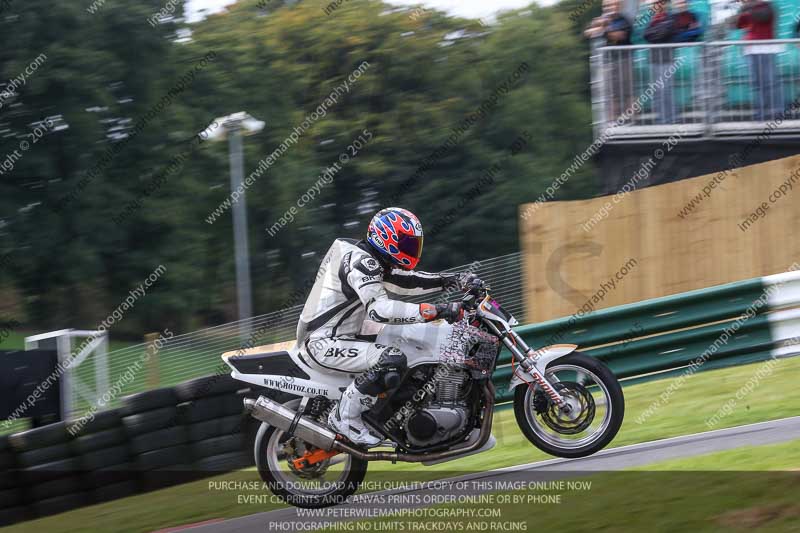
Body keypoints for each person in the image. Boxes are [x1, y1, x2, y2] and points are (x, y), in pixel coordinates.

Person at [295, 207, 474, 446]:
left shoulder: (368, 259)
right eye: (408, 244)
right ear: (386, 237)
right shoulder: (360, 262)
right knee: (392, 359)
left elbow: (408, 281)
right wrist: (437, 310)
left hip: (343, 335)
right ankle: (344, 418)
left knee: (407, 344)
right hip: (323, 342)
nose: (413, 250)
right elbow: (379, 310)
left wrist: (453, 279)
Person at [643, 0, 702, 124]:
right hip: (653, 59)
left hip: (666, 58)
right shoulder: (652, 21)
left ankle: (671, 119)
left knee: (666, 90)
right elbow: (646, 35)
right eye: (654, 5)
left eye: (659, 4)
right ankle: (661, 119)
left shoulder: (671, 19)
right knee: (658, 91)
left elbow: (662, 34)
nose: (657, 7)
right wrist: (657, 33)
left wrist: (655, 33)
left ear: (664, 5)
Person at [585, 0, 634, 122]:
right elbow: (587, 33)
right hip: (608, 62)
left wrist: (603, 28)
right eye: (607, 6)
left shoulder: (625, 20)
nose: (610, 8)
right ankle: (613, 123)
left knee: (627, 92)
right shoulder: (600, 20)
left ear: (619, 6)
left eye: (613, 5)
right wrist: (600, 27)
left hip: (624, 60)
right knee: (611, 94)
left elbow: (619, 36)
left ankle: (632, 121)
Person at [734, 1, 782, 120]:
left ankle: (777, 112)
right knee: (756, 84)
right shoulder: (748, 9)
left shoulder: (767, 7)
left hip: (765, 48)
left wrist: (747, 7)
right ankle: (760, 114)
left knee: (770, 82)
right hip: (751, 49)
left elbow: (762, 17)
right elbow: (738, 25)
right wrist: (740, 10)